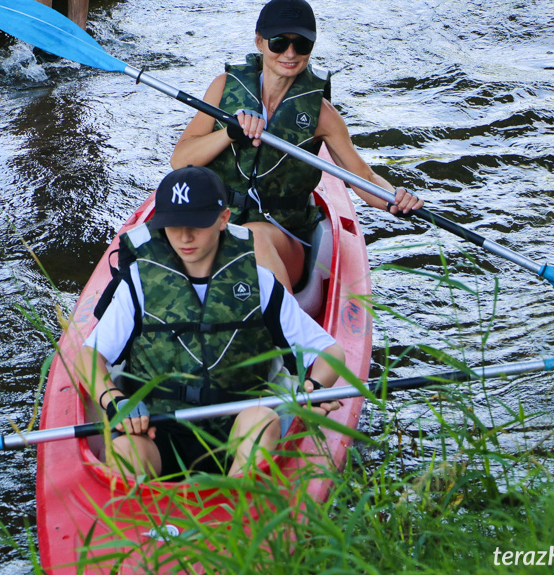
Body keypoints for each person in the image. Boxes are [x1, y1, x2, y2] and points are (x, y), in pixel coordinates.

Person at [77, 165, 345, 479]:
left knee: (262, 421)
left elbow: (329, 353)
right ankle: (137, 519)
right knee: (123, 451)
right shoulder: (138, 283)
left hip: (236, 429)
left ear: (223, 219)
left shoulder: (259, 283)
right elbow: (88, 358)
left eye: (197, 224)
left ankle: (238, 507)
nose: (184, 236)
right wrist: (112, 398)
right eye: (173, 225)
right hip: (159, 431)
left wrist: (312, 389)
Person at [171, 0, 424, 291]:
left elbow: (363, 178)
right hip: (216, 219)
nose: (290, 54)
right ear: (260, 42)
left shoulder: (323, 115)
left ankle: (285, 329)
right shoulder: (224, 87)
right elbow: (181, 160)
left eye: (301, 45)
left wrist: (396, 198)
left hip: (281, 233)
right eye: (279, 43)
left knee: (250, 237)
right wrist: (228, 133)